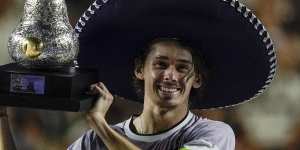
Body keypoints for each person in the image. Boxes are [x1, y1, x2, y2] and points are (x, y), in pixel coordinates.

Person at [68, 0, 277, 149]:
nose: (170, 75)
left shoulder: (215, 135)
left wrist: (101, 126)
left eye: (182, 67)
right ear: (139, 70)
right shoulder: (91, 143)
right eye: (160, 64)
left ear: (197, 79)